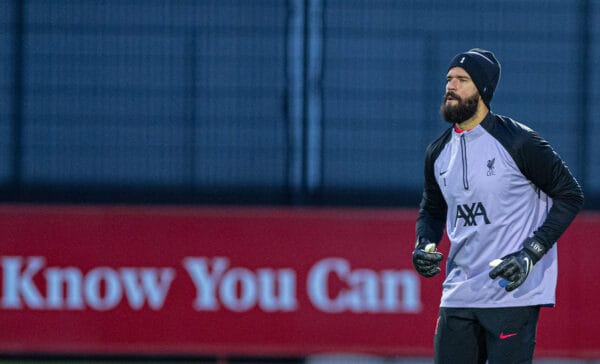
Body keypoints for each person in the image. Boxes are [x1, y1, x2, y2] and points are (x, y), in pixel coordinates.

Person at [411, 48, 584, 363]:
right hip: (458, 292)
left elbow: (570, 194)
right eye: (449, 79)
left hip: (512, 291)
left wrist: (530, 254)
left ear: (483, 90)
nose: (450, 86)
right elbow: (433, 210)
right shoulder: (437, 153)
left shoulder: (518, 141)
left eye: (462, 80)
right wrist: (425, 243)